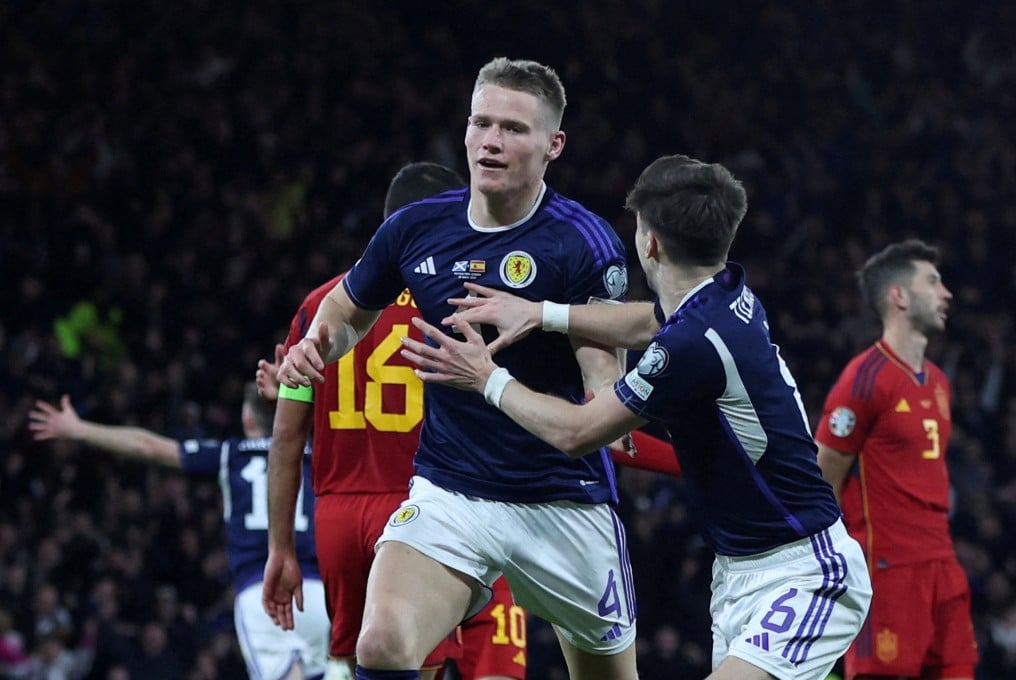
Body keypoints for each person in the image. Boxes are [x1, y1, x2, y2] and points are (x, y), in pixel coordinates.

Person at [400, 154, 873, 680]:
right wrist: (541, 313)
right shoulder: (725, 295)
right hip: (740, 573)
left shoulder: (690, 346)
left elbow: (576, 433)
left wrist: (486, 378)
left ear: (649, 243)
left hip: (806, 572)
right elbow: (649, 320)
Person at [275, 57, 638, 680]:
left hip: (562, 500)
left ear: (553, 145)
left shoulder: (583, 241)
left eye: (513, 129)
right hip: (452, 490)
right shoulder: (416, 228)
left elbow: (600, 368)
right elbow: (345, 308)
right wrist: (319, 342)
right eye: (481, 123)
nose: (491, 141)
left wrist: (599, 396)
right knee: (380, 643)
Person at [259, 161, 526, 680]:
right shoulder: (454, 301)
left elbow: (285, 439)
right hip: (419, 510)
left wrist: (280, 548)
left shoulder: (319, 306)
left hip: (336, 519)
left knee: (355, 668)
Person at [28, 383, 329, 680]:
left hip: (262, 591)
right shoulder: (315, 457)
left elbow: (148, 446)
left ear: (248, 418)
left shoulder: (230, 455)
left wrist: (80, 429)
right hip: (317, 593)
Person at [813, 240, 979, 680]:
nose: (946, 293)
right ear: (899, 296)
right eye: (933, 281)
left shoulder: (939, 382)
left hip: (942, 560)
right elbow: (822, 479)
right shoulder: (865, 378)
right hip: (887, 565)